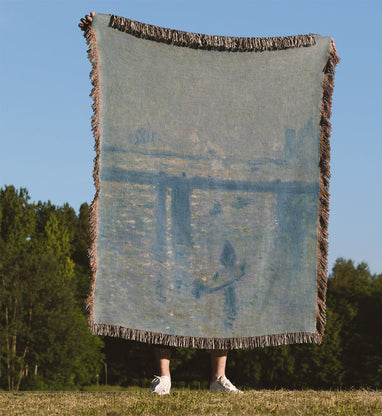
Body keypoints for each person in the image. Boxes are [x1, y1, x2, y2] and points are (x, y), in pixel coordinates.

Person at [79, 12, 242, 395]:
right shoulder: (162, 126)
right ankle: (164, 376)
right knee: (166, 294)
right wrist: (96, 28)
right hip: (170, 220)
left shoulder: (217, 131)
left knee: (219, 296)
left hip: (211, 221)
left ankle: (218, 377)